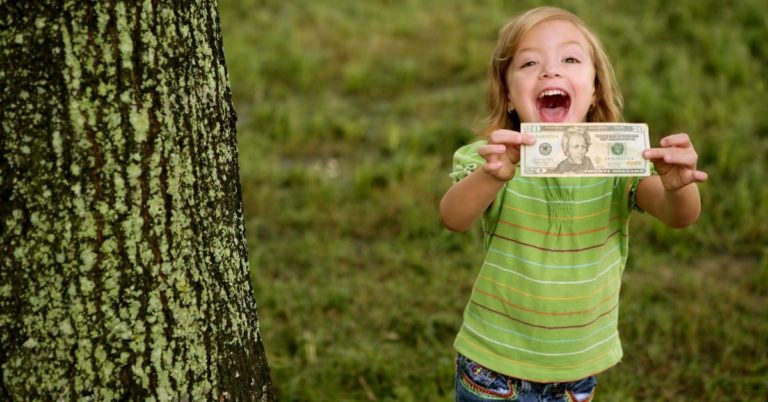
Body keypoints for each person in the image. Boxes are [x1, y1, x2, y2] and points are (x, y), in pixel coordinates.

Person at [439, 6, 707, 401]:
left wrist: (678, 186)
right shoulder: (493, 157)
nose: (550, 71)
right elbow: (453, 217)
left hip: (577, 371)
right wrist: (491, 175)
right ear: (509, 95)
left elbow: (678, 216)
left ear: (595, 87)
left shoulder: (620, 162)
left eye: (570, 58)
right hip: (494, 367)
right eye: (530, 62)